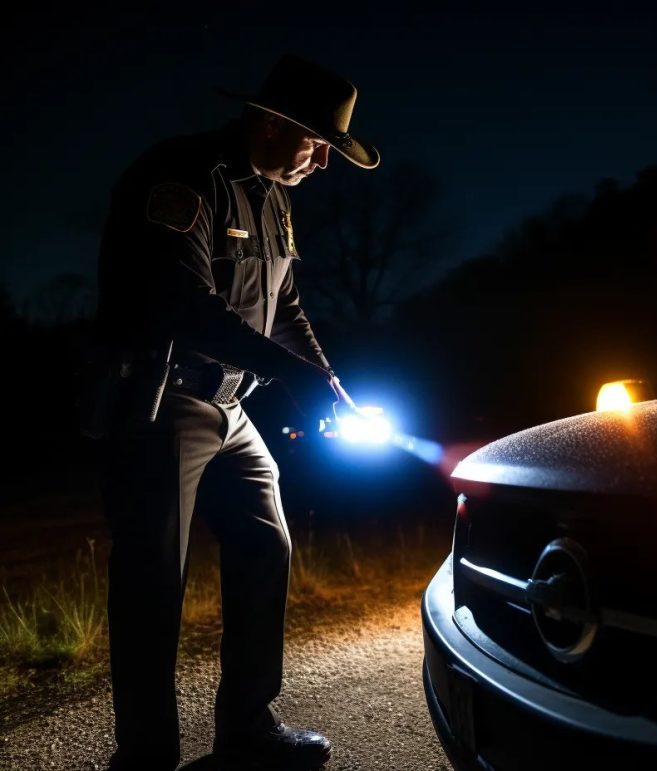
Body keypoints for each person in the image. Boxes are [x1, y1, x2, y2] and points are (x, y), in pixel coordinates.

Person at [93, 54, 379, 771]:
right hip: (165, 402)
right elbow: (182, 307)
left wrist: (327, 380)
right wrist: (293, 379)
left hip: (234, 407)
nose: (322, 162)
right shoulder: (184, 179)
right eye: (318, 143)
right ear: (275, 122)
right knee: (154, 580)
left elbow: (286, 308)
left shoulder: (276, 199)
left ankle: (247, 725)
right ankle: (146, 756)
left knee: (265, 546)